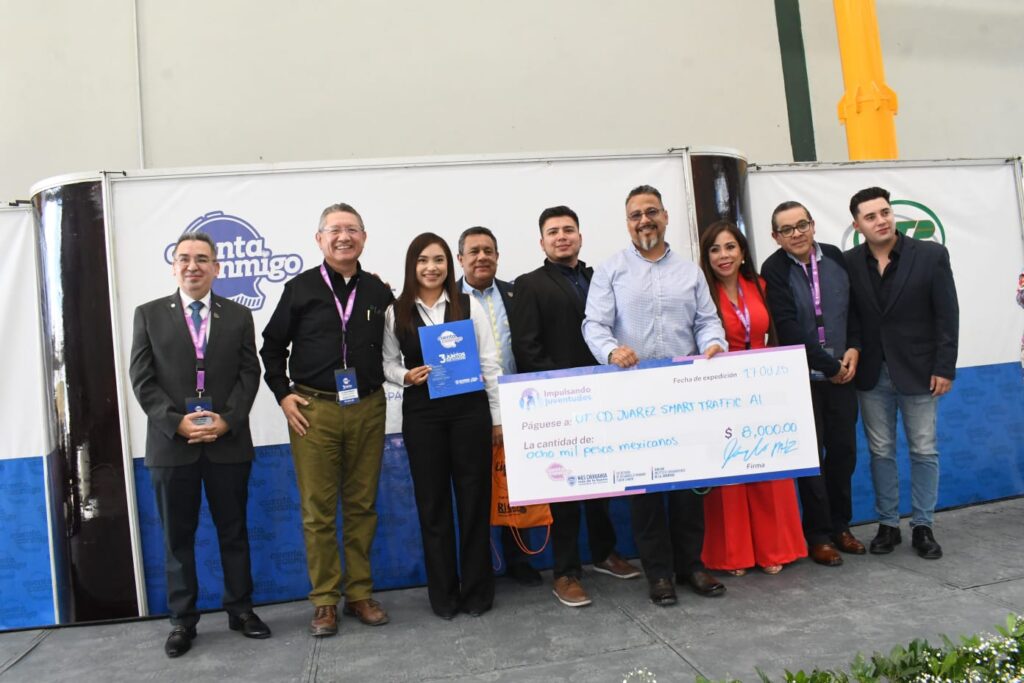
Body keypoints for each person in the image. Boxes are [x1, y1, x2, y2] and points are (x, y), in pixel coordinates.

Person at [582, 185, 727, 607]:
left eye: (651, 212)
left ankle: (691, 565)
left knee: (689, 485)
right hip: (634, 395)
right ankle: (659, 574)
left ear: (665, 216)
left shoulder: (689, 272)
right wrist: (611, 350)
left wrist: (713, 343)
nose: (644, 220)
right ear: (627, 223)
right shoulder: (610, 271)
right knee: (644, 491)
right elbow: (594, 324)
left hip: (684, 392)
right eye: (635, 215)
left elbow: (707, 321)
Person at [130, 232, 270, 658]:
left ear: (216, 268)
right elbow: (142, 379)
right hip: (172, 446)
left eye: (202, 259)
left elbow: (250, 373)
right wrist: (177, 423)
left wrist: (228, 420)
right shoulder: (148, 314)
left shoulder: (239, 315)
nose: (193, 266)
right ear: (174, 266)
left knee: (234, 531)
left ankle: (241, 610)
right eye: (185, 259)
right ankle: (182, 621)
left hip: (228, 443)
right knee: (177, 539)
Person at [260, 202, 394, 636]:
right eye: (334, 230)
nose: (343, 237)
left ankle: (359, 593)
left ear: (364, 238)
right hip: (313, 411)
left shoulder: (378, 292)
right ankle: (324, 601)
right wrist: (283, 395)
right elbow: (271, 348)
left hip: (368, 408)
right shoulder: (300, 288)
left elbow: (397, 345)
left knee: (362, 506)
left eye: (352, 229)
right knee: (318, 512)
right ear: (319, 239)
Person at [509, 205, 641, 608]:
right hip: (559, 403)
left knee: (603, 482)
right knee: (564, 490)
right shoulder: (529, 284)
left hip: (605, 399)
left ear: (580, 236)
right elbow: (527, 347)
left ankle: (604, 553)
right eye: (553, 232)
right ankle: (565, 572)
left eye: (568, 229)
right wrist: (561, 390)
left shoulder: (600, 277)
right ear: (542, 242)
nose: (562, 236)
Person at [383, 232, 503, 619]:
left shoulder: (469, 305)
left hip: (470, 413)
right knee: (432, 505)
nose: (431, 267)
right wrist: (405, 376)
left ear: (449, 265)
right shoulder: (396, 311)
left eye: (438, 260)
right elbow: (387, 363)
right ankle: (444, 595)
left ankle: (478, 591)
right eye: (422, 260)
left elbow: (490, 363)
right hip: (423, 416)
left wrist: (497, 419)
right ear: (412, 266)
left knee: (473, 502)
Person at [844, 187, 959, 559]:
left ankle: (923, 525)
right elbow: (852, 318)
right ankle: (888, 524)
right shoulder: (848, 263)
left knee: (924, 450)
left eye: (885, 212)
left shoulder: (930, 255)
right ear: (857, 225)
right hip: (871, 374)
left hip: (920, 370)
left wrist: (945, 366)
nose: (881, 221)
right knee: (880, 451)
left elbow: (947, 315)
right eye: (871, 216)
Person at [697, 221, 808, 575]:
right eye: (715, 249)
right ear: (706, 256)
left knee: (768, 466)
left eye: (730, 247)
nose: (723, 255)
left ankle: (775, 548)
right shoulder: (701, 294)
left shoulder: (760, 286)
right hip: (721, 390)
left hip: (763, 389)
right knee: (729, 472)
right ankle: (734, 554)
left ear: (743, 252)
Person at [761, 200, 865, 567]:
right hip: (802, 380)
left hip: (843, 375)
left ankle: (841, 526)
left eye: (801, 225)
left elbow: (854, 311)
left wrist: (854, 348)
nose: (797, 234)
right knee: (811, 459)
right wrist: (828, 365)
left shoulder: (835, 257)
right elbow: (787, 327)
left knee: (844, 453)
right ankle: (818, 535)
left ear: (813, 225)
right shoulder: (773, 270)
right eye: (787, 229)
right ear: (776, 236)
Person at [455, 225, 542, 587]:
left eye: (488, 251)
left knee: (516, 482)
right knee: (477, 485)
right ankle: (482, 563)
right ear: (460, 259)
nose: (482, 257)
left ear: (497, 256)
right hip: (469, 406)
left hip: (518, 401)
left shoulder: (515, 293)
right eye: (474, 251)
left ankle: (519, 558)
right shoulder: (449, 300)